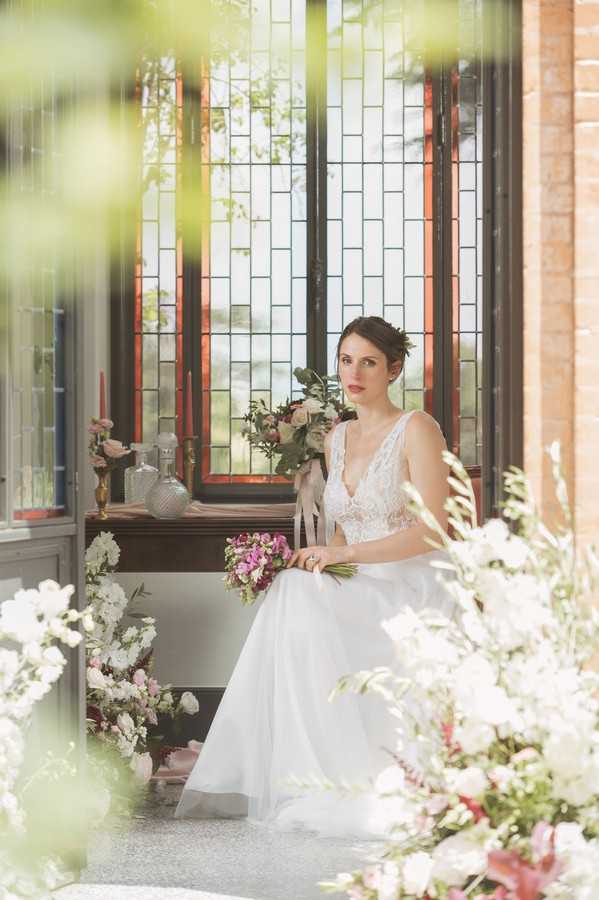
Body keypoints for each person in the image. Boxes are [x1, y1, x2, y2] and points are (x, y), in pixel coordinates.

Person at [175, 316, 453, 838]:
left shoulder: (418, 428)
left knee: (300, 596)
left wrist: (339, 558)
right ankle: (316, 769)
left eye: (369, 362)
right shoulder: (338, 438)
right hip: (366, 579)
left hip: (414, 585)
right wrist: (324, 561)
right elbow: (344, 535)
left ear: (393, 369)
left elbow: (434, 533)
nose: (355, 372)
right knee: (294, 588)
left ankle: (334, 771)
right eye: (347, 360)